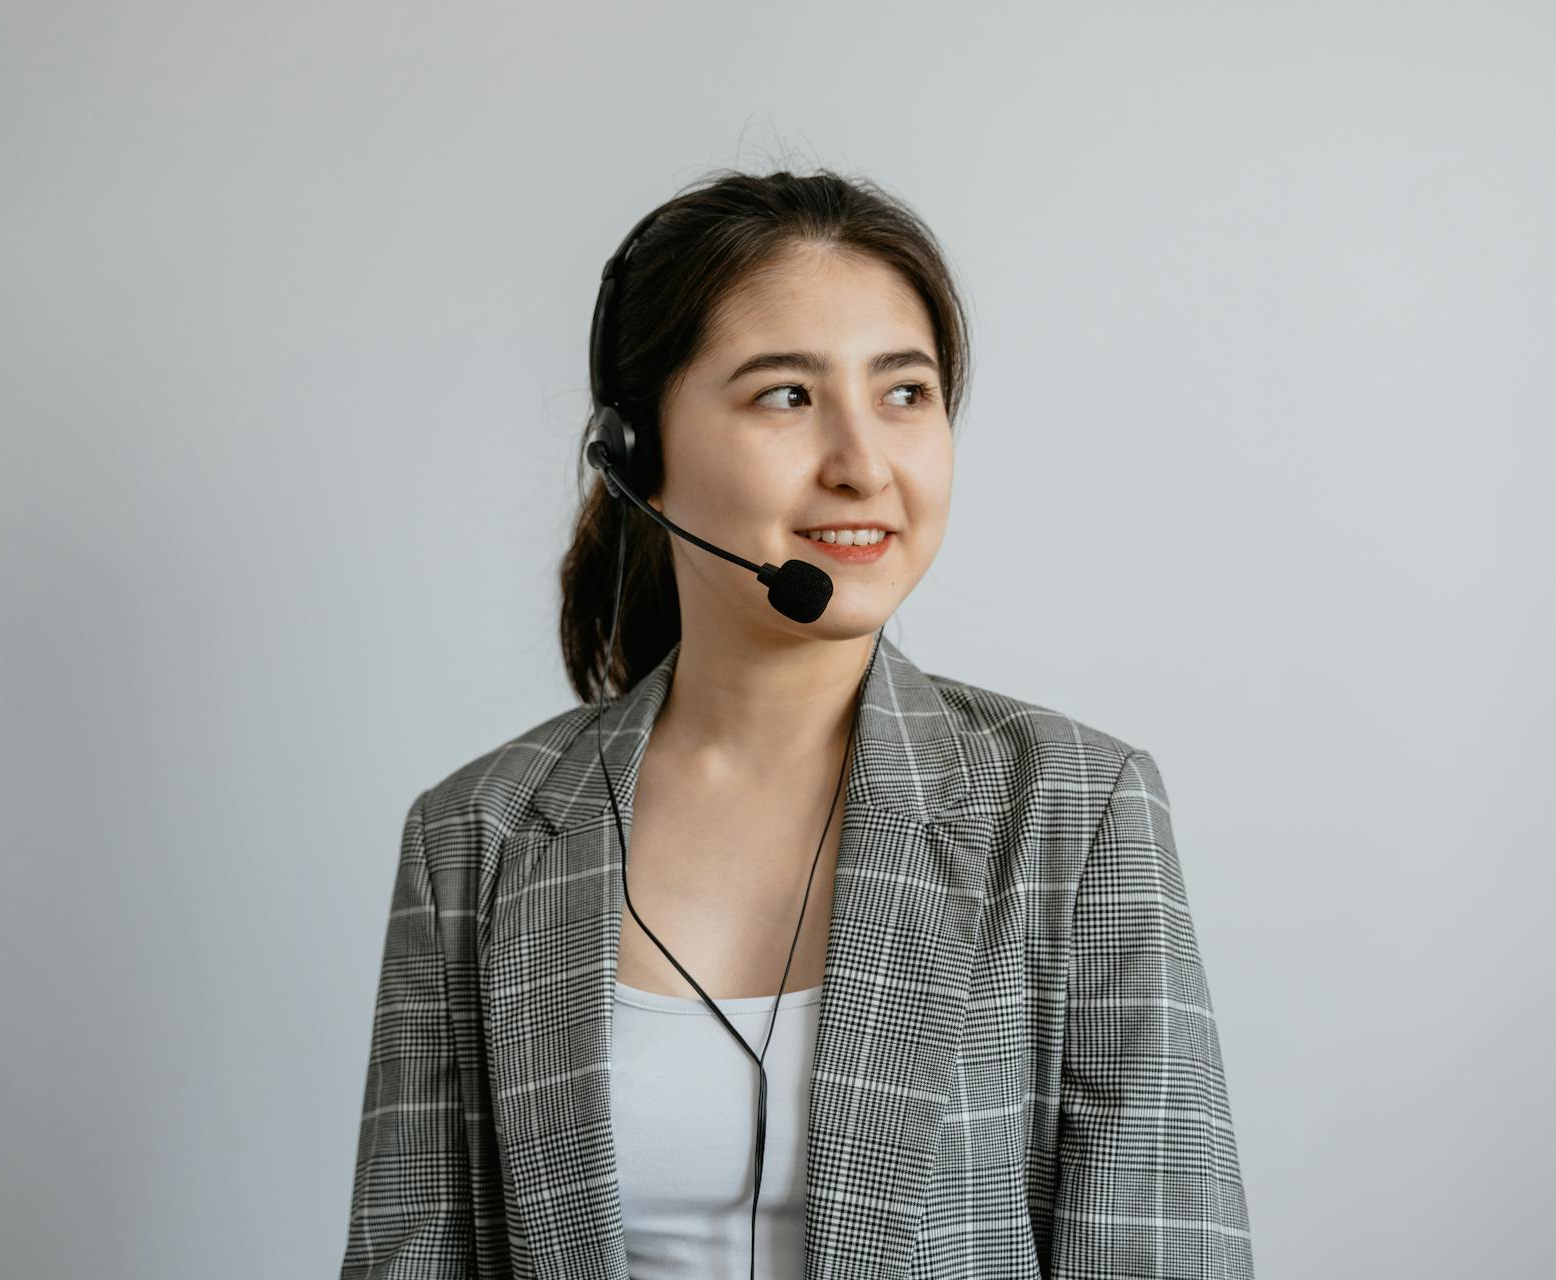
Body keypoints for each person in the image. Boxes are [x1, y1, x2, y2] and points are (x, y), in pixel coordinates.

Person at [340, 168, 1254, 1280]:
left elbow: (1164, 1253)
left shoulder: (1076, 807)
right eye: (786, 394)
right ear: (638, 455)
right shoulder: (476, 836)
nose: (864, 463)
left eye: (905, 393)